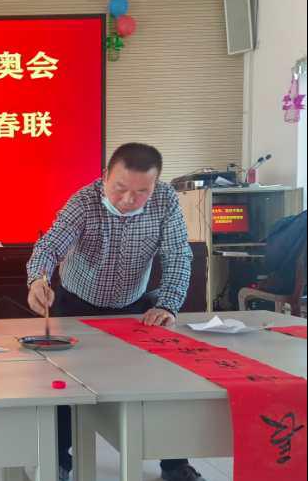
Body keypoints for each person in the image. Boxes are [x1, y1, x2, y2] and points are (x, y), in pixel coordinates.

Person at [26, 143, 204, 481]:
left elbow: (178, 255)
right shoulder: (84, 201)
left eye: (141, 191)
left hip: (134, 308)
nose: (128, 199)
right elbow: (49, 246)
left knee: (162, 381)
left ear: (155, 184)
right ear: (105, 175)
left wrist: (167, 304)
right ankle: (58, 461)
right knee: (62, 386)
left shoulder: (165, 200)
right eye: (120, 188)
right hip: (75, 304)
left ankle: (174, 464)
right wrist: (38, 280)